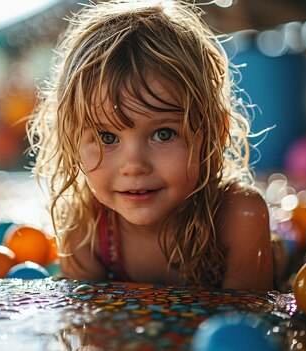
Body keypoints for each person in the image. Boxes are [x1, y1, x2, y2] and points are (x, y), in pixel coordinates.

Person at [28, 0, 273, 291]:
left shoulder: (238, 216)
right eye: (107, 138)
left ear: (213, 133)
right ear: (72, 140)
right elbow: (86, 329)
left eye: (164, 134)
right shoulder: (85, 227)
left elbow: (244, 330)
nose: (134, 165)